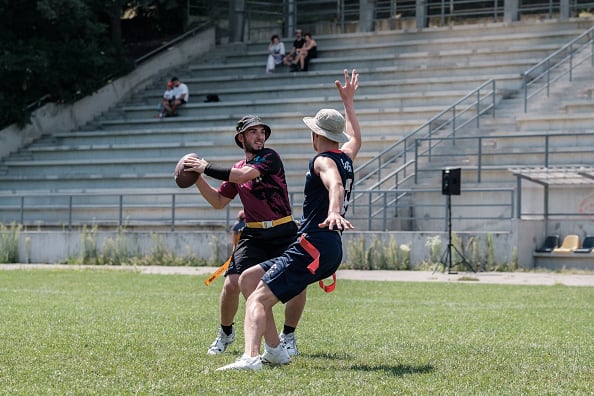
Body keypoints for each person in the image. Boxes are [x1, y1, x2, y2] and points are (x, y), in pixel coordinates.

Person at [217, 69, 361, 371]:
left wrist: (334, 211)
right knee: (248, 279)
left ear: (316, 136)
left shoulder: (322, 160)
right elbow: (356, 138)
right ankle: (277, 351)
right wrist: (348, 102)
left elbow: (334, 183)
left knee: (257, 298)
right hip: (328, 246)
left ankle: (251, 358)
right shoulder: (346, 154)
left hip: (312, 243)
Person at [183, 115, 306, 357]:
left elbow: (240, 177)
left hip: (283, 230)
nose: (260, 136)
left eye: (262, 131)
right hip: (254, 234)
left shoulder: (270, 157)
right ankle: (226, 333)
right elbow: (219, 202)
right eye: (253, 132)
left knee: (298, 285)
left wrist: (204, 166)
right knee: (231, 284)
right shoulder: (236, 169)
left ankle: (288, 336)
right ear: (241, 138)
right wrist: (198, 179)